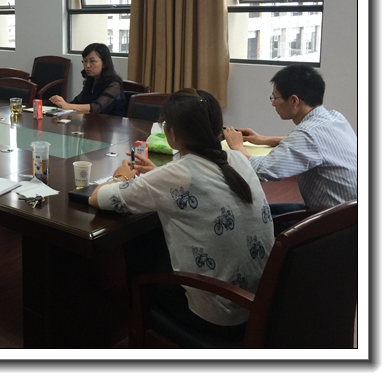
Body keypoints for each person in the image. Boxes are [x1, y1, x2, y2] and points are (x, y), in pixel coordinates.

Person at [90, 89, 274, 336]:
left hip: (218, 317)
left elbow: (97, 197)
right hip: (261, 303)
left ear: (172, 133)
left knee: (138, 244)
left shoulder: (176, 175)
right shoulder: (238, 158)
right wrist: (159, 175)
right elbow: (197, 181)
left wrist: (121, 176)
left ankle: (136, 324)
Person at [223, 64, 357, 214]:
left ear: (294, 101)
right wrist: (264, 139)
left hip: (334, 222)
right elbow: (312, 143)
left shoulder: (307, 134)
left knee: (257, 214)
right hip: (352, 213)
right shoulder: (335, 118)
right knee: (263, 211)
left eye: (275, 97)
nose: (273, 103)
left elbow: (262, 170)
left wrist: (237, 147)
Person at [49, 43, 126, 116]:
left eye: (92, 61)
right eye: (85, 61)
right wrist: (60, 105)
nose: (87, 65)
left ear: (104, 63)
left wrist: (67, 106)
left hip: (111, 124)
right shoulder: (91, 81)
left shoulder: (114, 84)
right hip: (92, 122)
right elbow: (77, 102)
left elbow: (97, 108)